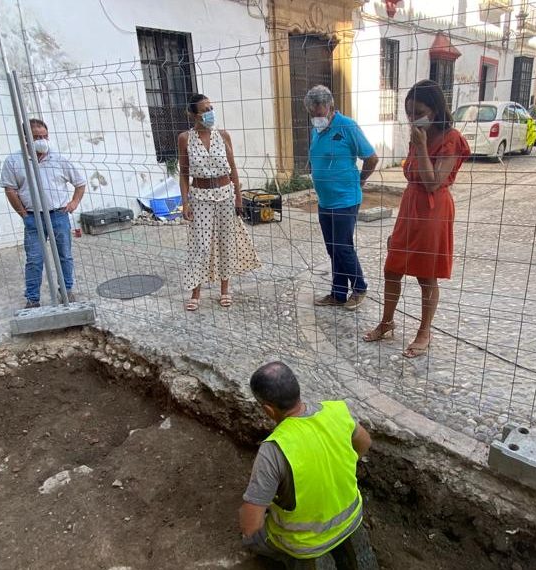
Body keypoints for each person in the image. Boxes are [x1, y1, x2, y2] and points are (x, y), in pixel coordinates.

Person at [363, 80, 470, 358]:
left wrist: (421, 147)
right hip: (410, 206)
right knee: (392, 267)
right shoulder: (417, 133)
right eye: (409, 112)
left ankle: (424, 331)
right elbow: (411, 174)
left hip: (434, 211)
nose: (413, 118)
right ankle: (387, 322)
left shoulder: (451, 139)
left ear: (435, 110)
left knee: (426, 275)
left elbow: (433, 182)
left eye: (418, 111)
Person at [240, 361, 378, 569]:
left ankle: (298, 559)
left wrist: (248, 521)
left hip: (304, 543)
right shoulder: (337, 411)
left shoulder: (274, 449)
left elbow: (251, 525)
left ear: (268, 409)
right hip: (351, 519)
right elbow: (364, 443)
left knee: (251, 537)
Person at [178, 93, 261, 311]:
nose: (209, 113)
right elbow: (184, 173)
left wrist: (238, 196)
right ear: (193, 114)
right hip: (200, 196)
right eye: (204, 110)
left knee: (226, 243)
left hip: (225, 193)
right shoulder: (185, 138)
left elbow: (233, 168)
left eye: (211, 108)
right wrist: (185, 203)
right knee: (201, 246)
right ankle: (196, 291)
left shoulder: (223, 135)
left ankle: (225, 289)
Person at [305, 85, 380, 310]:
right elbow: (317, 153)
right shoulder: (316, 129)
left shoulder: (347, 126)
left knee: (343, 246)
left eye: (320, 112)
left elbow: (372, 158)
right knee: (332, 248)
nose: (317, 117)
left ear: (330, 106)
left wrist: (360, 181)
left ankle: (360, 287)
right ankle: (338, 293)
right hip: (325, 201)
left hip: (346, 199)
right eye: (313, 114)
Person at [1, 118, 86, 308]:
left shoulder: (59, 159)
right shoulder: (14, 161)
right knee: (34, 259)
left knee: (64, 255)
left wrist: (73, 203)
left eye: (44, 136)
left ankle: (66, 290)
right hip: (33, 217)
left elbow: (80, 183)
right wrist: (23, 214)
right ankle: (32, 299)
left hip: (58, 215)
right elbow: (10, 189)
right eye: (37, 137)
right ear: (25, 139)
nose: (42, 140)